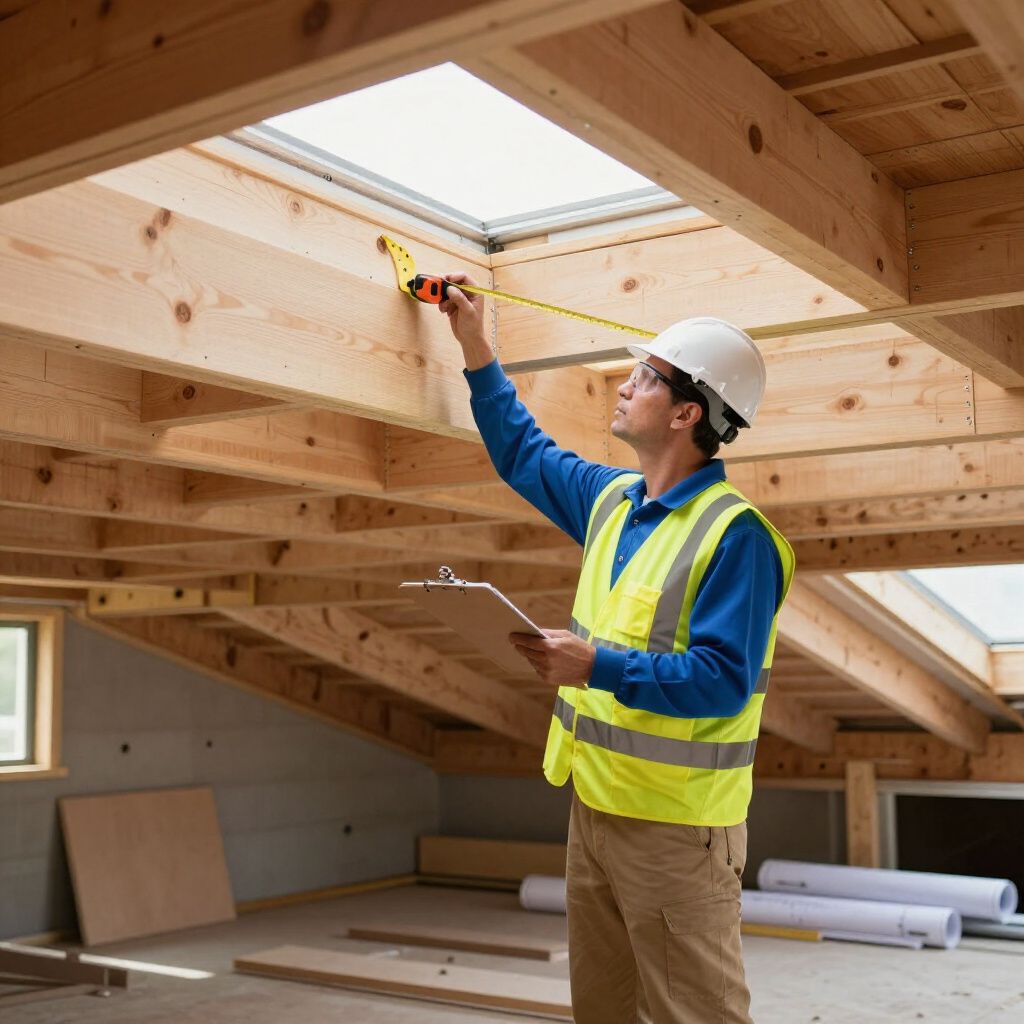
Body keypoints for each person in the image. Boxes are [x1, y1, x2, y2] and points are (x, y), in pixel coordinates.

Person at [440, 273, 794, 1024]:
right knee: (603, 1010)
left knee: (693, 1014)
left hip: (678, 830)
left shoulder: (737, 536)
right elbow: (523, 456)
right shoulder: (613, 502)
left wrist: (595, 666)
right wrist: (476, 349)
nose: (625, 386)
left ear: (687, 412)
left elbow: (725, 681)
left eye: (645, 377)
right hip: (594, 810)